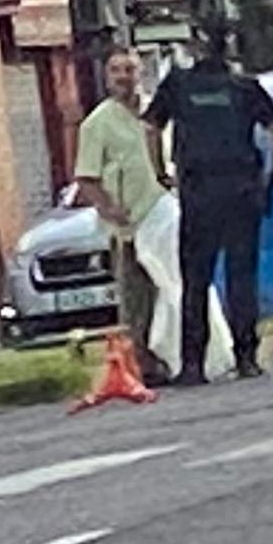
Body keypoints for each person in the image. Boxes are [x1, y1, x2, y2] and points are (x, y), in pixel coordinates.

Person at [148, 21, 273, 385]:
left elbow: (151, 127)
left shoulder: (177, 86)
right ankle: (246, 358)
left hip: (198, 193)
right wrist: (270, 178)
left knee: (196, 279)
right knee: (242, 276)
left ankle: (193, 364)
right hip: (241, 190)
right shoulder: (244, 88)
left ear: (194, 47)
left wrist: (162, 172)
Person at [75, 43, 165, 356]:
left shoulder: (158, 112)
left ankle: (175, 351)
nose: (123, 77)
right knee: (136, 296)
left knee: (170, 289)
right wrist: (109, 208)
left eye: (129, 69)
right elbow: (86, 177)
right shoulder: (97, 123)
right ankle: (142, 360)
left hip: (165, 219)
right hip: (129, 226)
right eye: (116, 70)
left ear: (140, 73)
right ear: (106, 77)